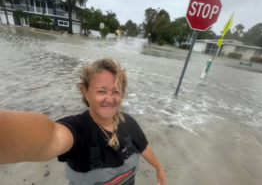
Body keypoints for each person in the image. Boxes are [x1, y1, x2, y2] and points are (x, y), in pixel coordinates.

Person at [0, 58, 166, 185]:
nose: (110, 99)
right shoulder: (78, 131)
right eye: (101, 91)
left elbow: (144, 147)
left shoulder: (129, 123)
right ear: (85, 91)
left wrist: (159, 168)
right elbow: (50, 137)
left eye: (116, 91)